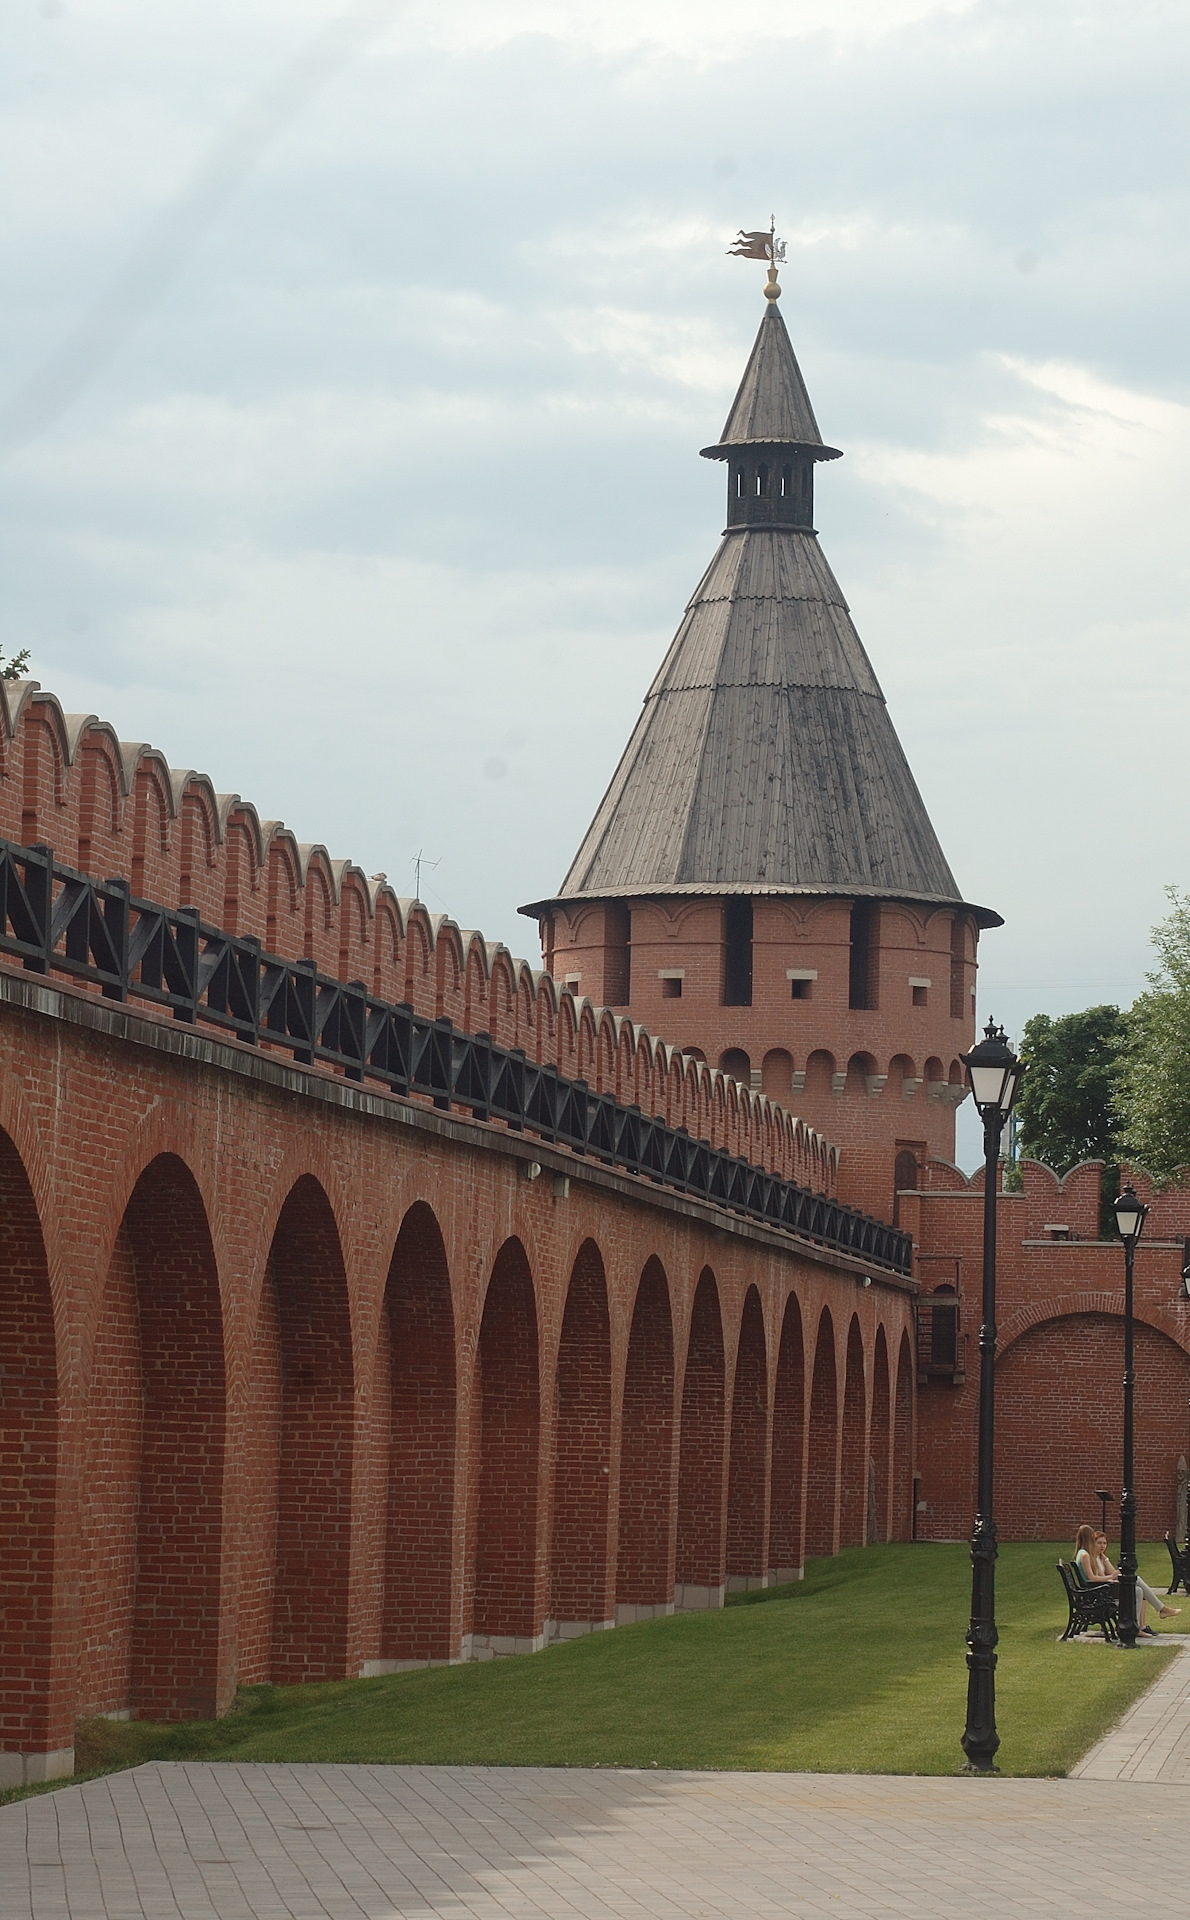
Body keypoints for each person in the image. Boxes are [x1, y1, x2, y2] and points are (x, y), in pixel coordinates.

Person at [1073, 1524, 1181, 1635]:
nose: (1100, 1545)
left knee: (1138, 1590)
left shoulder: (1087, 1555)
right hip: (1096, 1593)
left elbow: (1105, 1573)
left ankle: (1136, 1626)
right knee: (1136, 1580)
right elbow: (1091, 1578)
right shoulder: (1085, 1555)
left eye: (1104, 1543)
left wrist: (1105, 1560)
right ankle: (1161, 1609)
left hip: (1099, 1590)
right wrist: (1110, 1578)